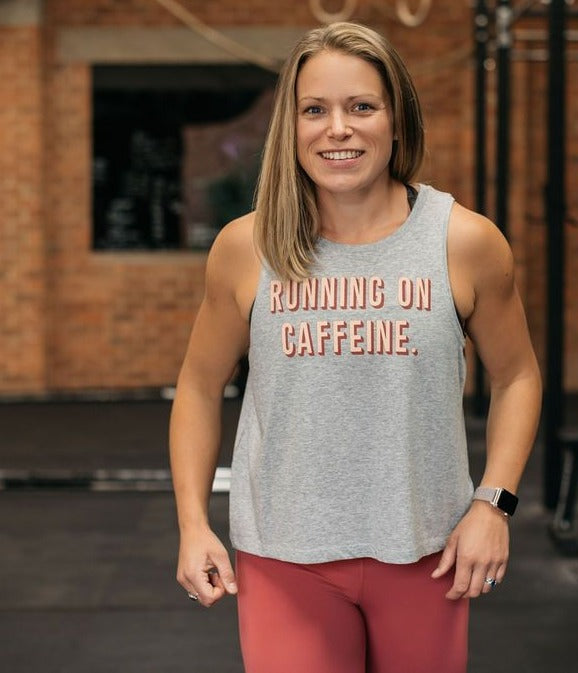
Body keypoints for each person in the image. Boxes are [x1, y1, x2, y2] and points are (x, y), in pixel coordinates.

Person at [169, 21, 542, 673]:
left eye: (360, 107)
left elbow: (517, 377)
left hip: (427, 556)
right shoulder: (245, 246)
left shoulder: (463, 242)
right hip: (283, 560)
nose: (336, 128)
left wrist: (493, 503)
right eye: (315, 110)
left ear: (396, 121)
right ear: (291, 127)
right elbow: (199, 387)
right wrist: (193, 523)